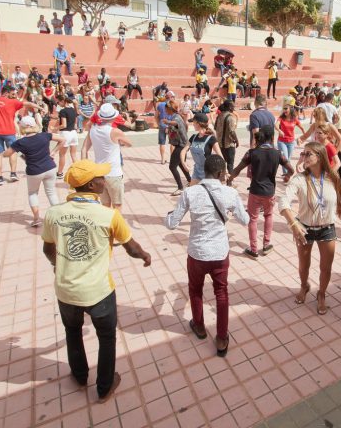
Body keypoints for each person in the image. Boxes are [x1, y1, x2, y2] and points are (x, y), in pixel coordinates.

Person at [42, 160, 151, 403]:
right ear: (91, 185)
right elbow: (130, 247)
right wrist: (144, 255)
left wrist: (59, 266)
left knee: (72, 331)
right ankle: (104, 386)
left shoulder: (53, 213)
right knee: (107, 337)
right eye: (101, 178)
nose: (105, 180)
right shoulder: (109, 215)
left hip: (66, 289)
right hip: (99, 290)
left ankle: (80, 376)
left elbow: (48, 249)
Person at [165, 155, 248, 357]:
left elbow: (172, 223)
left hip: (197, 253)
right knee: (221, 292)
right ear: (221, 174)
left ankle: (200, 326)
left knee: (195, 290)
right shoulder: (229, 192)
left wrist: (168, 215)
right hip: (219, 253)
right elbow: (245, 220)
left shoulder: (190, 192)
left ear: (204, 171)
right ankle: (221, 338)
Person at [278, 142, 341, 315]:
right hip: (304, 229)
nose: (303, 157)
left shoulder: (332, 177)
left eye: (308, 154)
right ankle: (305, 286)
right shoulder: (298, 179)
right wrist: (293, 224)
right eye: (302, 154)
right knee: (304, 266)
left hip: (327, 228)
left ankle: (321, 294)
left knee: (326, 268)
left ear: (319, 156)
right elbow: (283, 201)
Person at [229, 125, 294, 258]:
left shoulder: (252, 153)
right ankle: (266, 245)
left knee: (252, 219)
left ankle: (253, 249)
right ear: (272, 137)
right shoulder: (278, 153)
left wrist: (229, 179)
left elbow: (237, 169)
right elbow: (291, 170)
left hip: (254, 191)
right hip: (270, 192)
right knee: (268, 216)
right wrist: (287, 176)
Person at [4, 116, 64, 226]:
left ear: (22, 127)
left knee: (33, 193)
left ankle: (36, 219)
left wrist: (11, 146)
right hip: (50, 167)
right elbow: (62, 140)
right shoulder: (45, 135)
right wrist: (54, 152)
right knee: (51, 193)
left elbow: (6, 154)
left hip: (34, 171)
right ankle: (59, 217)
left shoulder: (20, 142)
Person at [0, 87, 39, 186]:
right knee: (13, 152)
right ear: (7, 93)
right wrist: (40, 108)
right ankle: (13, 174)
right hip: (9, 131)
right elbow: (29, 104)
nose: (14, 95)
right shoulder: (12, 102)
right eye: (12, 93)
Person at [81, 104, 132, 210]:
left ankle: (107, 226)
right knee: (117, 205)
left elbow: (84, 149)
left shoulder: (93, 130)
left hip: (99, 173)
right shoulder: (115, 132)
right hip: (114, 174)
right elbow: (129, 144)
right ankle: (115, 226)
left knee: (105, 205)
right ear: (113, 117)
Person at [163, 101, 192, 195]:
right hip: (182, 145)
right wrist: (168, 128)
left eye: (166, 108)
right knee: (181, 165)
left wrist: (167, 122)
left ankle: (180, 187)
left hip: (181, 146)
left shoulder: (176, 117)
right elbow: (175, 127)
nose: (165, 110)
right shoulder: (176, 116)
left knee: (172, 167)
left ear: (169, 109)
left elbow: (175, 123)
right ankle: (191, 181)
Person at [276, 106, 304, 177]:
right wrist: (279, 130)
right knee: (285, 158)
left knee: (288, 159)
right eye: (284, 109)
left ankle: (286, 173)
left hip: (291, 142)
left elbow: (302, 128)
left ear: (290, 110)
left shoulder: (294, 119)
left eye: (286, 109)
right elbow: (276, 125)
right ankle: (286, 175)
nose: (284, 110)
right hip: (282, 141)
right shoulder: (281, 118)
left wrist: (303, 137)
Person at [56, 96, 79, 178]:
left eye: (58, 102)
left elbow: (63, 125)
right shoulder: (73, 110)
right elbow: (76, 120)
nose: (58, 104)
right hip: (74, 133)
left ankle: (60, 173)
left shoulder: (63, 111)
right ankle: (78, 172)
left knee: (62, 155)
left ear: (63, 101)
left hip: (65, 134)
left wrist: (54, 128)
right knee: (73, 155)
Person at [214, 100, 239, 174]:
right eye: (233, 106)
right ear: (229, 107)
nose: (233, 107)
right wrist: (237, 141)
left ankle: (221, 180)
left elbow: (215, 128)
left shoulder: (219, 116)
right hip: (229, 144)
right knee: (230, 164)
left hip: (220, 144)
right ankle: (229, 181)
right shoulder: (230, 118)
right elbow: (232, 132)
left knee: (221, 163)